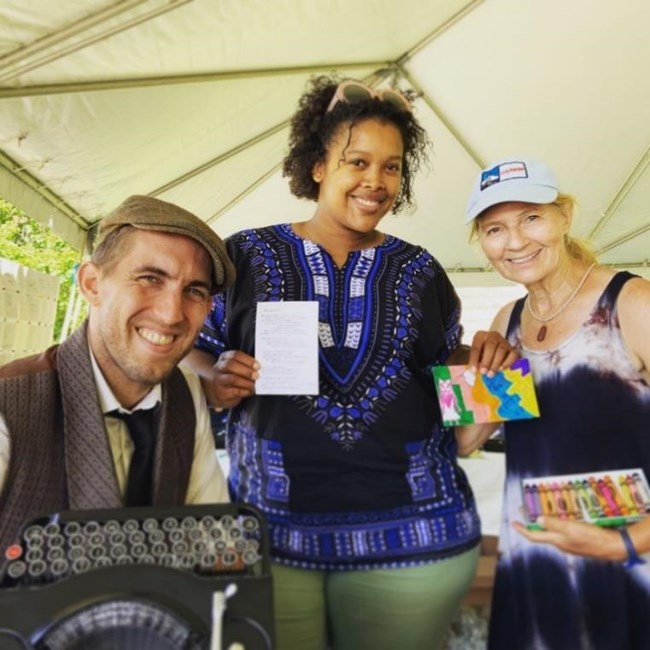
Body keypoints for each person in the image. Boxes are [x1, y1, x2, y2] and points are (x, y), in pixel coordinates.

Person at [184, 76, 515, 650]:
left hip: (414, 542)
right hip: (269, 538)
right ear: (316, 165)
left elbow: (457, 404)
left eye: (392, 167)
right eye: (357, 161)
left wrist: (494, 376)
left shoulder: (420, 270)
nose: (376, 181)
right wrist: (215, 376)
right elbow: (184, 341)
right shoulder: (243, 255)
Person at [458, 157, 650, 650]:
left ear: (564, 215)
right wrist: (478, 377)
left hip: (631, 563)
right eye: (495, 228)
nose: (516, 241)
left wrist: (624, 542)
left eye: (532, 218)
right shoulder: (507, 321)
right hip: (536, 559)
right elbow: (466, 441)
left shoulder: (632, 303)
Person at [0, 195, 236, 554]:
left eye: (193, 291)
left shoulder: (185, 392)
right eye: (150, 278)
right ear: (93, 284)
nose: (172, 314)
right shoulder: (10, 406)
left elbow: (212, 541)